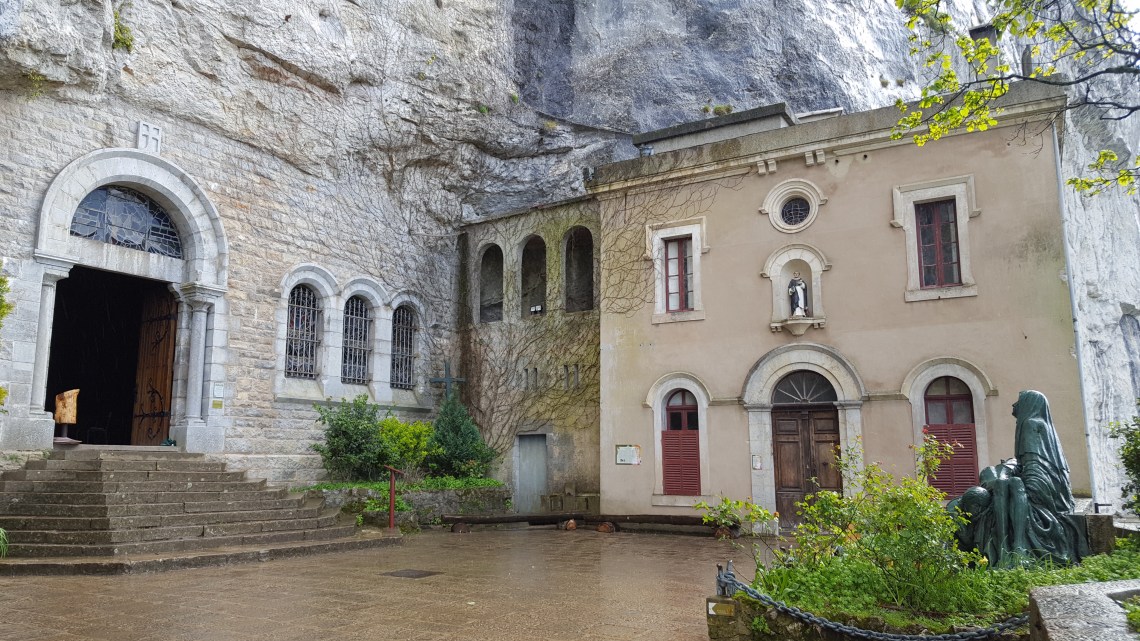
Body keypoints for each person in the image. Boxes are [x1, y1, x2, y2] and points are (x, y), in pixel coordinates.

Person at [947, 390, 1088, 567]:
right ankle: (1011, 545)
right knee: (1007, 481)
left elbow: (1034, 466)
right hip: (1047, 483)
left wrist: (1011, 475)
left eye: (1018, 401)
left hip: (1039, 483)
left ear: (1029, 404)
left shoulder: (1029, 424)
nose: (1014, 405)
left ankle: (1014, 544)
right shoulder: (1040, 425)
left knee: (1012, 483)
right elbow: (1027, 462)